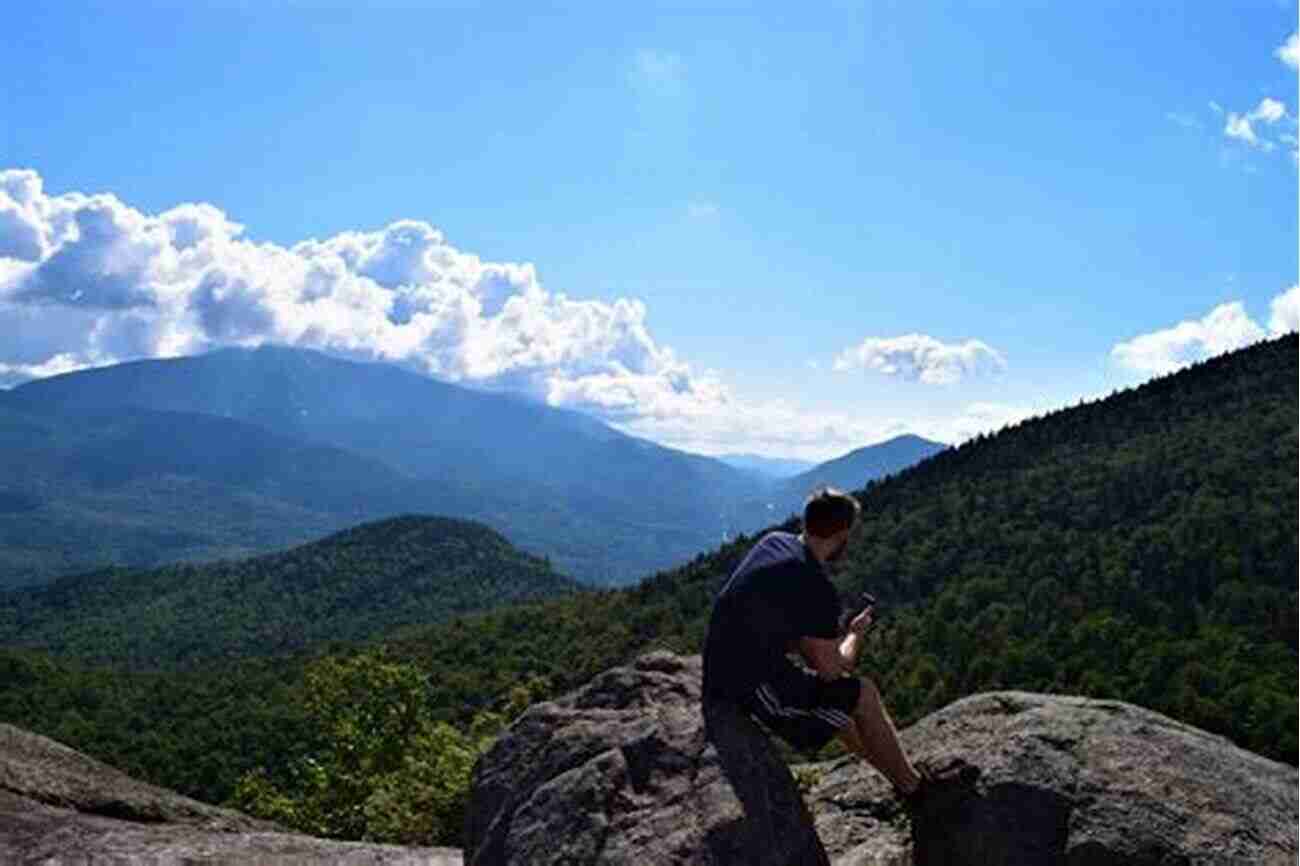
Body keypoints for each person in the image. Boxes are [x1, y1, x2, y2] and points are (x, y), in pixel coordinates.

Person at [702, 486, 973, 807]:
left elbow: (770, 617)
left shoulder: (774, 542)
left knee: (839, 709)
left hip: (723, 661)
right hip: (744, 684)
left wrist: (818, 638)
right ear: (843, 533)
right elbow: (832, 671)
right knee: (862, 693)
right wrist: (855, 634)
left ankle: (899, 776)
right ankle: (917, 791)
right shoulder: (815, 587)